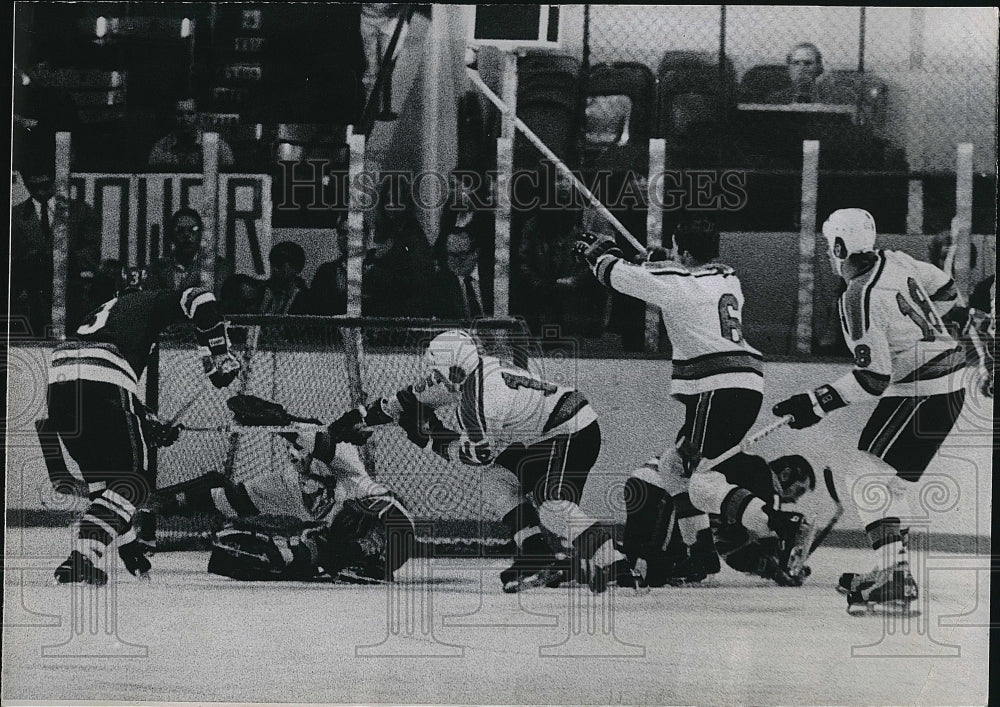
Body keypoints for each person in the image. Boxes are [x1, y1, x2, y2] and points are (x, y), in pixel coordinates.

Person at [575, 217, 810, 585]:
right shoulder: (727, 277)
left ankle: (777, 524)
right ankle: (700, 550)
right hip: (745, 385)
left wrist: (598, 256)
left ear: (682, 251)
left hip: (714, 387)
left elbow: (617, 277)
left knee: (688, 475)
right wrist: (658, 261)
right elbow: (681, 280)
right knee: (677, 468)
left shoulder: (677, 282)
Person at [771, 208, 968, 614]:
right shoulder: (897, 260)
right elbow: (948, 292)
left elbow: (873, 379)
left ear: (839, 247)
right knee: (893, 484)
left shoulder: (857, 296)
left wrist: (813, 403)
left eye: (831, 245)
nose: (830, 252)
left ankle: (894, 575)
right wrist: (918, 331)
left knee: (865, 474)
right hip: (947, 382)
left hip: (922, 388)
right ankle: (895, 573)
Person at [361, 330, 640, 593]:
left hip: (572, 429)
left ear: (453, 370)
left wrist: (433, 439)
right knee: (497, 479)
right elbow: (410, 396)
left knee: (553, 507)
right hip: (548, 431)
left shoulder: (479, 403)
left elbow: (478, 456)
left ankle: (614, 562)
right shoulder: (477, 370)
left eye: (437, 372)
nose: (434, 378)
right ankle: (535, 552)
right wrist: (365, 418)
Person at [44, 268, 241, 585]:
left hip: (60, 385)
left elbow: (102, 388)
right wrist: (221, 354)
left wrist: (128, 546)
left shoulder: (107, 313)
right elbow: (201, 297)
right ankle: (80, 557)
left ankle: (92, 555)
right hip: (102, 378)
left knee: (107, 483)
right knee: (136, 479)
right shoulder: (152, 300)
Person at [160, 411, 418, 583]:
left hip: (392, 526)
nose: (293, 455)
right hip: (342, 543)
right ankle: (349, 558)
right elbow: (232, 499)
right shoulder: (285, 482)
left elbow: (317, 439)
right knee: (309, 544)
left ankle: (372, 550)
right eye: (289, 450)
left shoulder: (342, 457)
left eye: (298, 448)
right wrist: (173, 503)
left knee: (358, 511)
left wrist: (278, 420)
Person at [626, 451, 817, 587]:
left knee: (694, 566)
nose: (795, 499)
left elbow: (732, 549)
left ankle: (613, 554)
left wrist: (773, 568)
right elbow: (769, 522)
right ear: (785, 474)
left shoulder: (747, 480)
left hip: (651, 484)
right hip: (661, 487)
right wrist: (786, 556)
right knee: (652, 570)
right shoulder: (761, 474)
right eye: (799, 490)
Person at [10, 162, 102, 336]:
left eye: (45, 185)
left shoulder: (81, 212)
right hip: (31, 305)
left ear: (55, 181)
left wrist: (62, 258)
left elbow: (92, 253)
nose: (40, 192)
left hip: (73, 302)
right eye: (33, 187)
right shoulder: (14, 217)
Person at [146, 207, 233, 296]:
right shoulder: (158, 269)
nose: (187, 235)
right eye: (180, 230)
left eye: (193, 230)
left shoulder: (217, 267)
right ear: (172, 236)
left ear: (201, 234)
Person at [148, 96, 235, 171]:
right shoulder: (161, 148)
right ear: (173, 116)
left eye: (190, 113)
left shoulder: (218, 147)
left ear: (198, 116)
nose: (185, 119)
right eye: (180, 114)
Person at [431, 225, 484, 320]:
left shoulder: (495, 278)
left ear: (476, 253)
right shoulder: (440, 284)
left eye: (462, 255)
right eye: (452, 255)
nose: (457, 261)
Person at [765, 43, 837, 105]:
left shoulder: (831, 98)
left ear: (818, 68)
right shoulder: (776, 100)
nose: (801, 68)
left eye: (807, 63)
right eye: (796, 63)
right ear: (789, 68)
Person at [256, 241, 311, 315]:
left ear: (295, 267)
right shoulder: (262, 292)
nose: (274, 269)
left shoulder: (305, 299)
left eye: (279, 264)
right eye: (272, 263)